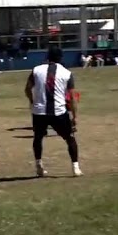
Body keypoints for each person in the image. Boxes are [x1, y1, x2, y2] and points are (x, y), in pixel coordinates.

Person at [24, 46, 81, 177]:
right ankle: (75, 167)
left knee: (38, 138)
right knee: (70, 138)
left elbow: (27, 89)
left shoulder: (36, 70)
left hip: (39, 112)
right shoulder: (67, 73)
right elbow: (72, 97)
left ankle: (39, 164)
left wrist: (33, 102)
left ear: (47, 57)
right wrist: (75, 116)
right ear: (61, 58)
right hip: (59, 112)